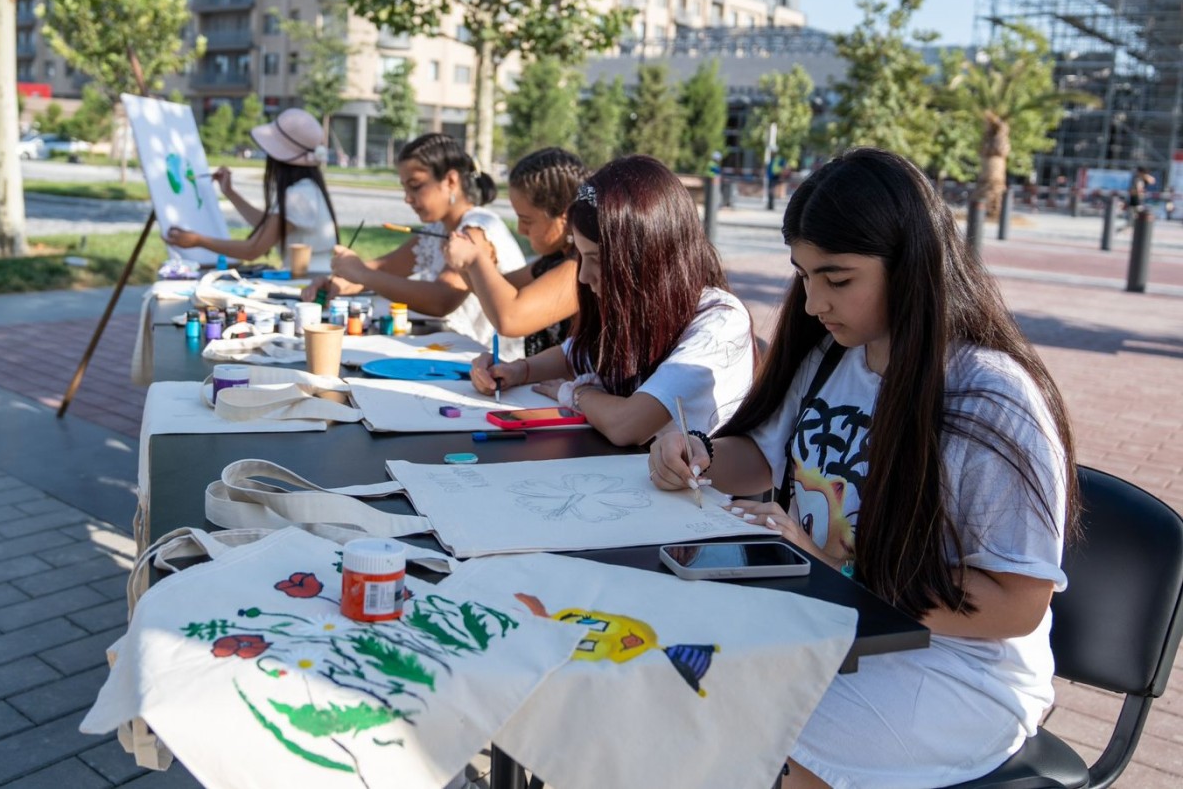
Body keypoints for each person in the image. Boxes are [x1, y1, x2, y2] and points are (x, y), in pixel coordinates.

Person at [649, 147, 1078, 789]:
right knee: (668, 686)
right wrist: (701, 453)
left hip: (958, 670)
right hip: (831, 624)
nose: (815, 300)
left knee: (771, 735)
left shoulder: (989, 397)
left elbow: (1015, 606)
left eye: (838, 278)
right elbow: (758, 457)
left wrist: (832, 567)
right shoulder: (831, 355)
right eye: (804, 276)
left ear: (911, 265)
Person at [474, 154, 755, 446]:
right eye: (581, 257)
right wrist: (516, 370)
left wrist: (578, 394)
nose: (583, 276)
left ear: (646, 256)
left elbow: (628, 425)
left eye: (596, 259)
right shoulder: (639, 301)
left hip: (700, 491)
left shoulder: (720, 319)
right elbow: (575, 354)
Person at [305, 132, 526, 352]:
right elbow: (384, 268)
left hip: (493, 364)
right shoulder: (438, 228)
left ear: (450, 181)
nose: (407, 198)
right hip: (456, 351)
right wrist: (338, 281)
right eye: (405, 187)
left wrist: (362, 275)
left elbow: (441, 300)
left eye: (416, 185)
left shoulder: (476, 230)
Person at [443, 147, 588, 358]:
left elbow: (510, 319)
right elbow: (494, 292)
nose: (521, 230)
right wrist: (463, 264)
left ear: (565, 216)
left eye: (527, 220)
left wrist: (475, 259)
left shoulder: (581, 267)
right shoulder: (554, 259)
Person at [165, 108, 339, 270]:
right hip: (310, 276)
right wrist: (230, 193)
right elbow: (267, 225)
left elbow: (252, 250)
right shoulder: (307, 187)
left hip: (308, 280)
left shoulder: (298, 195)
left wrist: (198, 240)